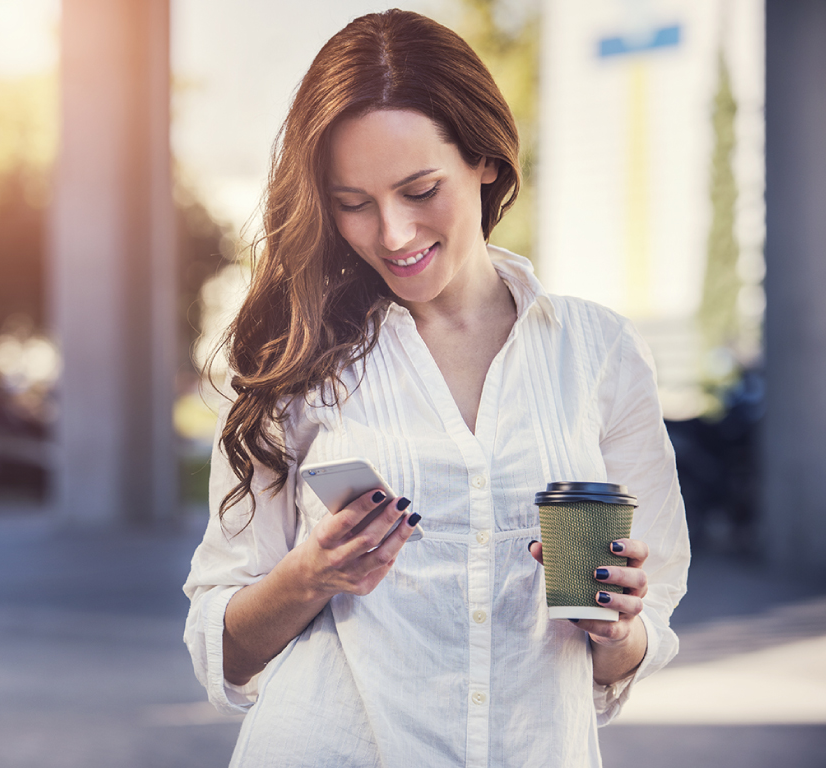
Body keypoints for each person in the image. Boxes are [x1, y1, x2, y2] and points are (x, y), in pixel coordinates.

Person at [183, 9, 690, 766]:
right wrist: (308, 575)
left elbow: (638, 649)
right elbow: (220, 651)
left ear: (484, 160)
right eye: (353, 203)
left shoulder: (598, 353)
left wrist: (615, 628)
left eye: (421, 189)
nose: (391, 234)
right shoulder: (296, 359)